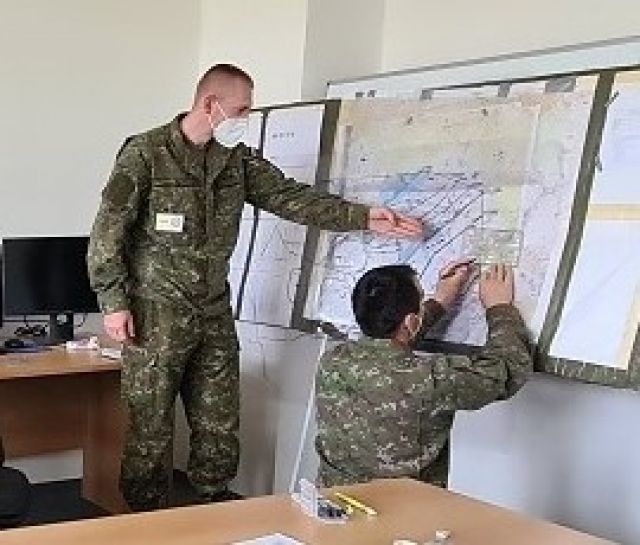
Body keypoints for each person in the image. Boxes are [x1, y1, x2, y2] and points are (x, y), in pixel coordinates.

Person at [87, 63, 424, 511]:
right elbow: (107, 234)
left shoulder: (236, 161)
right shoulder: (146, 154)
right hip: (156, 313)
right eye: (242, 110)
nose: (247, 118)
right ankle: (144, 520)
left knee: (219, 421)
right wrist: (114, 302)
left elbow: (292, 197)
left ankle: (215, 508)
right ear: (210, 104)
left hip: (212, 312)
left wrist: (364, 217)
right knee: (150, 426)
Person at [315, 262, 533, 488]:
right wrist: (499, 308)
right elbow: (508, 368)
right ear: (411, 322)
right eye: (421, 300)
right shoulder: (430, 378)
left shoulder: (332, 360)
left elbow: (390, 344)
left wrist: (440, 302)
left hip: (333, 500)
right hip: (404, 506)